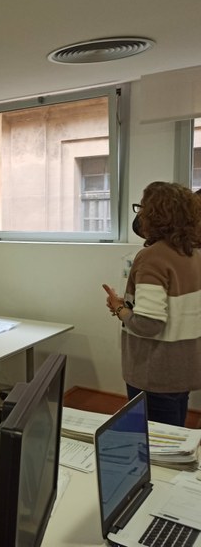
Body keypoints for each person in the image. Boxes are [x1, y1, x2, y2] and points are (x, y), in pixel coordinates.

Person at [103, 181, 201, 427]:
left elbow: (148, 324)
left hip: (155, 373)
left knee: (155, 443)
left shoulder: (153, 257)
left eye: (142, 208)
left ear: (153, 215)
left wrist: (119, 308)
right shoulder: (191, 254)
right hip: (183, 368)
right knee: (174, 437)